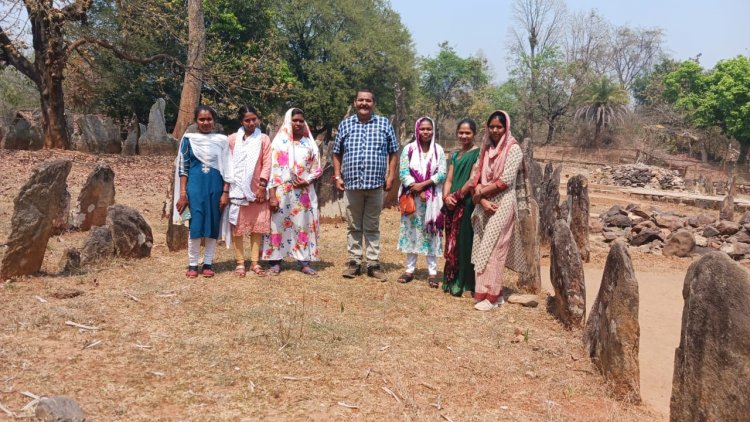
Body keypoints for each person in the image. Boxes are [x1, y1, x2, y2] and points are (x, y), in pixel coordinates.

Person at [332, 89, 399, 281]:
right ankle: (354, 262)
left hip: (376, 184)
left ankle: (373, 264)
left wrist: (391, 176)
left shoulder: (384, 124)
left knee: (371, 225)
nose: (364, 103)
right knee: (354, 225)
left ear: (373, 103)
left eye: (368, 101)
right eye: (360, 100)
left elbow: (394, 152)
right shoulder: (345, 124)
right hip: (352, 184)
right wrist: (337, 176)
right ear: (355, 102)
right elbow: (336, 152)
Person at [469, 110, 527, 311]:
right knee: (481, 247)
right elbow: (475, 174)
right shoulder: (485, 148)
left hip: (503, 204)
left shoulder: (513, 149)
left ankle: (492, 297)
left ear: (506, 128)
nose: (494, 130)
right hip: (484, 204)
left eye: (499, 127)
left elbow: (505, 181)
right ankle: (487, 293)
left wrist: (479, 194)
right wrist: (481, 199)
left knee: (495, 249)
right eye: (491, 126)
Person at [261, 108, 322, 276]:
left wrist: (307, 179)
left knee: (302, 225)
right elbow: (271, 170)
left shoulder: (309, 143)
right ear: (288, 121)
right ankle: (275, 261)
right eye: (295, 120)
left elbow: (317, 168)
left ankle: (304, 262)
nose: (298, 123)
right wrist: (272, 195)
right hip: (281, 192)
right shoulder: (278, 143)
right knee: (277, 225)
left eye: (301, 120)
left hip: (303, 192)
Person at [173, 105, 232, 278]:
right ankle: (192, 264)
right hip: (194, 189)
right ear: (196, 121)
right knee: (195, 225)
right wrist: (183, 194)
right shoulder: (189, 139)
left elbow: (228, 167)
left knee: (213, 224)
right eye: (202, 119)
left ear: (214, 121)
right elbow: (183, 168)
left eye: (209, 119)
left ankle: (208, 263)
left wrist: (225, 192)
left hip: (215, 187)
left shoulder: (222, 140)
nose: (206, 122)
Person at [396, 117, 446, 287]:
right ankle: (410, 270)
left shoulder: (438, 150)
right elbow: (403, 172)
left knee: (430, 233)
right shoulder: (408, 149)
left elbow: (442, 174)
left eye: (429, 129)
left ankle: (432, 273)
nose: (426, 132)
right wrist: (415, 187)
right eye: (423, 129)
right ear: (417, 130)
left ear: (433, 130)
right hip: (412, 197)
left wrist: (424, 187)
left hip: (432, 201)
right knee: (411, 232)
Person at [226, 106, 272, 277]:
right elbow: (227, 163)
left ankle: (254, 262)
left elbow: (267, 163)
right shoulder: (231, 140)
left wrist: (262, 186)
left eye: (254, 119)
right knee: (238, 227)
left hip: (257, 190)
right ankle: (239, 263)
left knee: (256, 228)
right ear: (241, 121)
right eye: (247, 120)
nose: (252, 123)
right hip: (237, 190)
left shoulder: (263, 139)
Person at [441, 118, 480, 296]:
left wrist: (456, 197)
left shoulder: (478, 154)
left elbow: (472, 180)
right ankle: (450, 280)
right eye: (461, 133)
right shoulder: (456, 155)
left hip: (466, 203)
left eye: (468, 133)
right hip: (452, 203)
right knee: (451, 241)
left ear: (474, 134)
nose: (464, 136)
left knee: (465, 241)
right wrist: (446, 196)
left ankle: (464, 283)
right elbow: (449, 179)